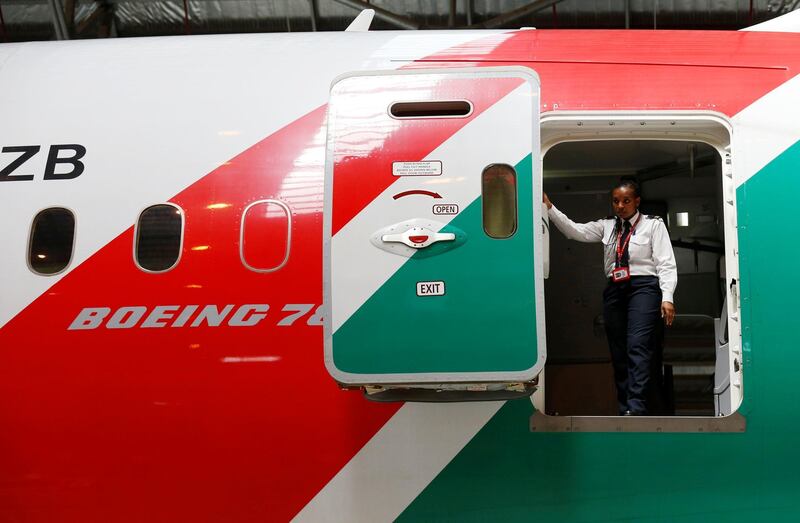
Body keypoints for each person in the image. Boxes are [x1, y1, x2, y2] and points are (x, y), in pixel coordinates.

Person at [543, 179, 677, 416]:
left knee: (638, 345)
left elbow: (665, 264)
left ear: (637, 201)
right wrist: (550, 208)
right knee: (619, 350)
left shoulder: (653, 225)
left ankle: (637, 407)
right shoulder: (607, 226)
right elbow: (575, 232)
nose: (620, 206)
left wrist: (667, 297)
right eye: (616, 201)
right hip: (615, 288)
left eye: (626, 201)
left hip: (644, 287)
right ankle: (626, 407)